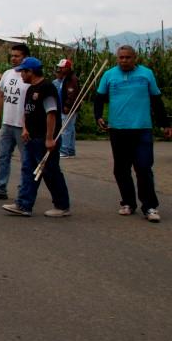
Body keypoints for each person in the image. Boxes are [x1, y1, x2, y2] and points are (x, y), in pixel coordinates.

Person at [94, 45, 171, 223]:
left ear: (135, 58)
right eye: (121, 57)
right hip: (118, 129)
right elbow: (99, 98)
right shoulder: (109, 75)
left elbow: (156, 100)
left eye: (128, 57)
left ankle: (150, 206)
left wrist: (165, 124)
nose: (124, 61)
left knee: (143, 168)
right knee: (121, 169)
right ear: (117, 58)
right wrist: (98, 116)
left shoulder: (146, 74)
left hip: (142, 128)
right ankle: (128, 202)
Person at [2, 58, 71, 217]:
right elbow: (27, 112)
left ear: (30, 72)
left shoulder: (47, 88)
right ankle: (24, 204)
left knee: (50, 172)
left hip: (43, 139)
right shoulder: (30, 89)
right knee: (28, 171)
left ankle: (62, 205)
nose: (20, 75)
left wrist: (49, 138)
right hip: (31, 138)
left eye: (23, 72)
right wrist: (25, 129)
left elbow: (51, 114)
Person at [0, 43, 31, 200]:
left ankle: (24, 191)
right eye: (12, 55)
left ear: (25, 57)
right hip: (7, 123)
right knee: (3, 156)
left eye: (17, 56)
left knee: (26, 161)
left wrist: (27, 126)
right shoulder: (7, 74)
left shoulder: (29, 76)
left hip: (22, 126)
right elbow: (1, 96)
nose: (13, 58)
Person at [54, 58, 79, 158]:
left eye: (62, 67)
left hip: (68, 108)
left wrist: (67, 106)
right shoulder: (66, 78)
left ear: (67, 68)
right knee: (70, 129)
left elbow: (71, 94)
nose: (60, 69)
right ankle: (70, 150)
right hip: (66, 107)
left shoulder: (70, 79)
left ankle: (64, 150)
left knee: (65, 129)